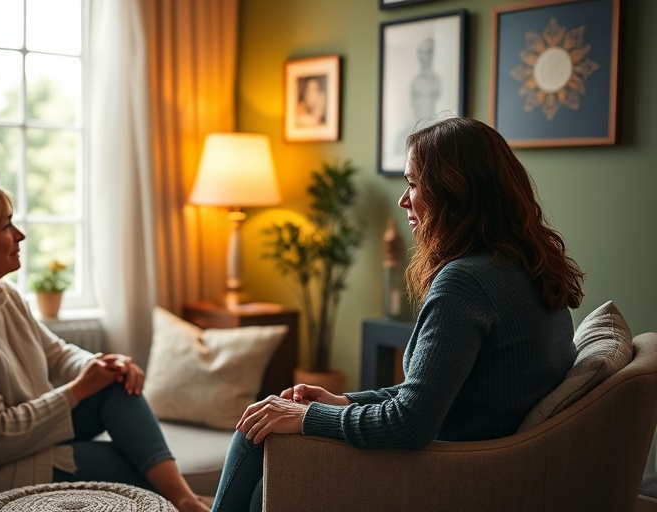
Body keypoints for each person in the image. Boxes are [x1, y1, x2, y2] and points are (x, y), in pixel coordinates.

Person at [210, 116, 585, 512]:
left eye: (413, 183)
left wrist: (308, 419)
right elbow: (430, 393)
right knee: (260, 490)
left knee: (257, 431)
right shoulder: (525, 268)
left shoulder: (465, 282)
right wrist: (342, 401)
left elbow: (410, 422)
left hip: (445, 473)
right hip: (481, 461)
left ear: (453, 191)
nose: (403, 200)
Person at [0, 180, 209, 512]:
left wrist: (98, 367)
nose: (19, 235)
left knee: (117, 382)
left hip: (15, 444)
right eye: (6, 225)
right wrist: (79, 389)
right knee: (137, 474)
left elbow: (56, 353)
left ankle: (184, 500)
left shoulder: (2, 293)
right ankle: (184, 501)